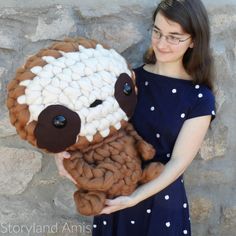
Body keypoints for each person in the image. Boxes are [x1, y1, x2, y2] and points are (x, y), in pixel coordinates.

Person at [55, 0, 216, 235]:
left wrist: (134, 198)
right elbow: (88, 123)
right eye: (157, 32)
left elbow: (178, 163)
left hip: (160, 202)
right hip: (113, 196)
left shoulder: (199, 97)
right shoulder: (126, 80)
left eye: (174, 37)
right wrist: (63, 154)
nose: (162, 44)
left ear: (193, 40)